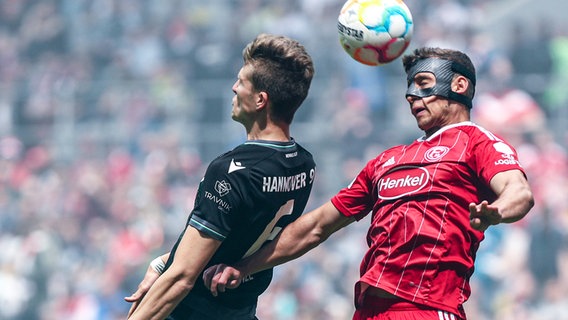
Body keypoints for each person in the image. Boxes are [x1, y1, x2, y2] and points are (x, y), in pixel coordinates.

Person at [203, 47, 535, 320]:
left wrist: (496, 212)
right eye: (409, 86)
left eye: (423, 83)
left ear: (459, 86)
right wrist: (243, 266)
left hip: (428, 309)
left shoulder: (477, 142)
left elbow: (519, 191)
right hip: (367, 313)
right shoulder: (386, 161)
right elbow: (317, 226)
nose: (411, 96)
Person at [124, 33, 317, 320]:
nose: (233, 87)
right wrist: (162, 262)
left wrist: (168, 272)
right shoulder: (304, 165)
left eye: (241, 82)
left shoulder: (231, 171)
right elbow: (234, 241)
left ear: (260, 100)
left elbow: (182, 277)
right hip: (242, 310)